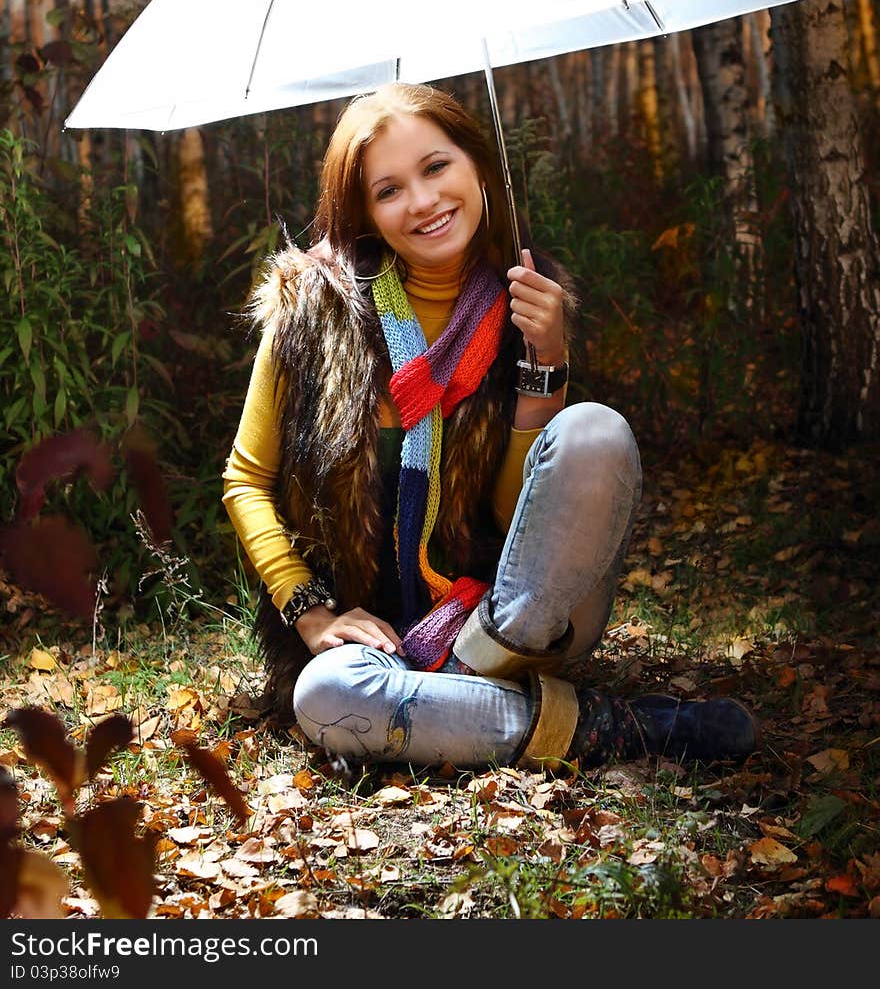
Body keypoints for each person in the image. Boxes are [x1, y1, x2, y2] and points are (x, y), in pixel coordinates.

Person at [221, 82, 757, 772]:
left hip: (515, 613)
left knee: (595, 434)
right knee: (325, 695)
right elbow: (245, 480)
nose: (422, 201)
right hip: (371, 651)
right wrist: (313, 613)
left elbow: (514, 522)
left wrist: (547, 367)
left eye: (436, 167)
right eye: (389, 190)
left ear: (477, 164)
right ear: (365, 213)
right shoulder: (313, 312)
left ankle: (453, 696)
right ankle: (617, 727)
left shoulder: (527, 298)